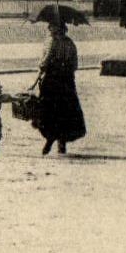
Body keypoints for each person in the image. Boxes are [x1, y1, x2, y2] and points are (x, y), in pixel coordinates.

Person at [32, 21, 86, 155]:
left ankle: (50, 139)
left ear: (56, 28)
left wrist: (41, 66)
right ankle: (62, 142)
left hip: (52, 80)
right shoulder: (70, 43)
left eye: (51, 26)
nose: (48, 28)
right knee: (66, 111)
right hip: (67, 80)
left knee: (49, 110)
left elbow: (45, 61)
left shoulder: (51, 41)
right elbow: (75, 64)